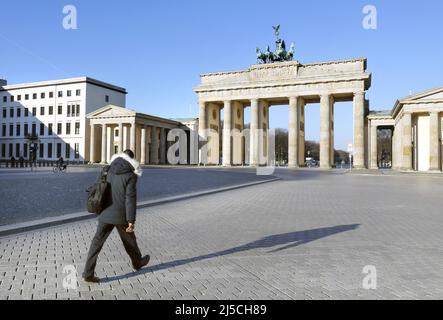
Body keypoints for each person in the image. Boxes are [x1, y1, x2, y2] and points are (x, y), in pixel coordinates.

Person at [82, 149, 150, 283]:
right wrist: (131, 220)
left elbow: (98, 188)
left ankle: (88, 273)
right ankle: (137, 262)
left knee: (96, 243)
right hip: (121, 215)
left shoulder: (107, 169)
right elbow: (130, 198)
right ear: (131, 160)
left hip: (105, 212)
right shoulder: (131, 174)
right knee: (129, 240)